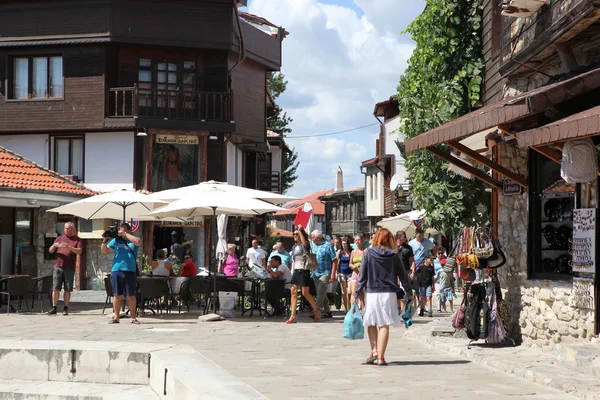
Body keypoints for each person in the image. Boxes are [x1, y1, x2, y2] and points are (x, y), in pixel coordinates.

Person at [353, 228, 412, 366]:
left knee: (370, 321)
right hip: (389, 293)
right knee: (384, 324)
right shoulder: (394, 255)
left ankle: (374, 350)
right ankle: (380, 357)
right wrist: (409, 291)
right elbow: (403, 275)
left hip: (372, 292)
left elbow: (362, 275)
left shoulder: (368, 253)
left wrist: (356, 293)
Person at [101, 223, 142, 324]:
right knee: (117, 295)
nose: (120, 232)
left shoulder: (132, 239)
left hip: (130, 270)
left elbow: (138, 242)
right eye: (120, 230)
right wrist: (105, 240)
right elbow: (104, 251)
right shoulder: (116, 240)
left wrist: (125, 234)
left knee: (131, 295)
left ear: (128, 231)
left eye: (123, 230)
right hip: (117, 270)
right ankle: (116, 317)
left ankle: (133, 317)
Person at [46, 222, 82, 316]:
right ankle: (54, 307)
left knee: (67, 289)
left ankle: (65, 308)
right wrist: (54, 246)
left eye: (68, 229)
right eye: (65, 228)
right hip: (58, 266)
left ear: (73, 229)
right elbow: (50, 250)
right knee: (55, 288)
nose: (66, 230)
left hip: (69, 267)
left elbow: (79, 251)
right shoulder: (60, 238)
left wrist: (69, 247)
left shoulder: (77, 240)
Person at [287, 226, 319, 323]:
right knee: (293, 292)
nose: (295, 236)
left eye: (296, 234)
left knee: (305, 293)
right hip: (296, 270)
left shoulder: (305, 245)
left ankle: (316, 309)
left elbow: (305, 244)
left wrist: (300, 230)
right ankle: (293, 314)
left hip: (303, 270)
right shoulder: (294, 246)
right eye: (294, 234)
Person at [311, 229, 338, 319]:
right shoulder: (314, 246)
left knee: (320, 292)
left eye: (313, 237)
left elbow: (334, 260)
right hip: (316, 273)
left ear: (318, 238)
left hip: (325, 272)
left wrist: (333, 273)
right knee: (321, 293)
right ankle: (327, 310)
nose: (312, 239)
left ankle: (316, 310)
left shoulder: (328, 246)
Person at [395, 230, 415, 311]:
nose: (406, 238)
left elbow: (412, 260)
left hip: (405, 272)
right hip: (394, 273)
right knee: (396, 291)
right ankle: (398, 308)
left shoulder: (408, 247)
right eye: (404, 237)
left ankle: (404, 311)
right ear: (399, 237)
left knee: (405, 291)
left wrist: (413, 271)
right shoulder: (393, 247)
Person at [417, 251, 436, 317]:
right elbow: (417, 274)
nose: (431, 260)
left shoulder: (431, 268)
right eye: (430, 259)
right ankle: (422, 309)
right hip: (422, 284)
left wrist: (434, 286)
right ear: (426, 259)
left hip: (429, 284)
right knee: (422, 297)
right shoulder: (421, 267)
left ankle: (430, 310)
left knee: (429, 297)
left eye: (431, 259)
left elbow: (432, 277)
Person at [349, 234, 366, 310]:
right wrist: (352, 266)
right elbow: (350, 263)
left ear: (362, 240)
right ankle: (353, 310)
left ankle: (364, 310)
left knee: (363, 294)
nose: (357, 242)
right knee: (353, 292)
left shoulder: (366, 251)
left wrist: (361, 265)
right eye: (356, 240)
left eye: (359, 240)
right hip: (355, 273)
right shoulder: (353, 252)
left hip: (364, 273)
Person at [337, 236, 353, 312]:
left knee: (349, 291)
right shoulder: (339, 252)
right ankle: (346, 308)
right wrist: (336, 273)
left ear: (348, 244)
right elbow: (337, 263)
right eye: (342, 244)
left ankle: (350, 306)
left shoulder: (351, 252)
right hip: (342, 273)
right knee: (344, 291)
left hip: (350, 273)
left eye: (345, 244)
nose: (344, 245)